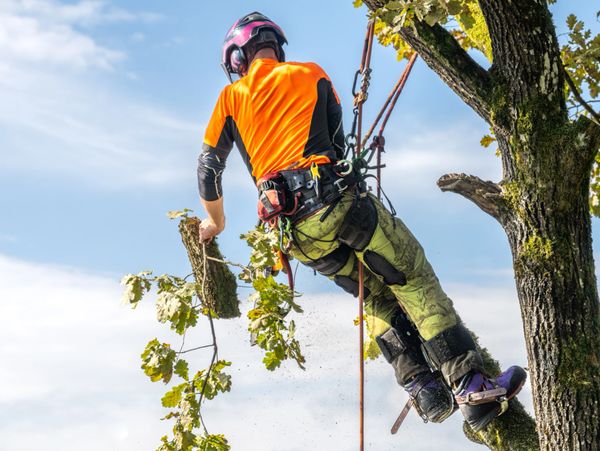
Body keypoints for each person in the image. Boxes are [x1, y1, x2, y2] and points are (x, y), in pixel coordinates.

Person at [197, 11, 527, 432]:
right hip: (338, 206)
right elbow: (336, 142)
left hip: (296, 237)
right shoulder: (311, 73)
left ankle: (423, 387)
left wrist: (215, 222)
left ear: (238, 59)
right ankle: (469, 384)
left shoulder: (230, 100)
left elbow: (208, 168)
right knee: (410, 278)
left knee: (374, 297)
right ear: (275, 47)